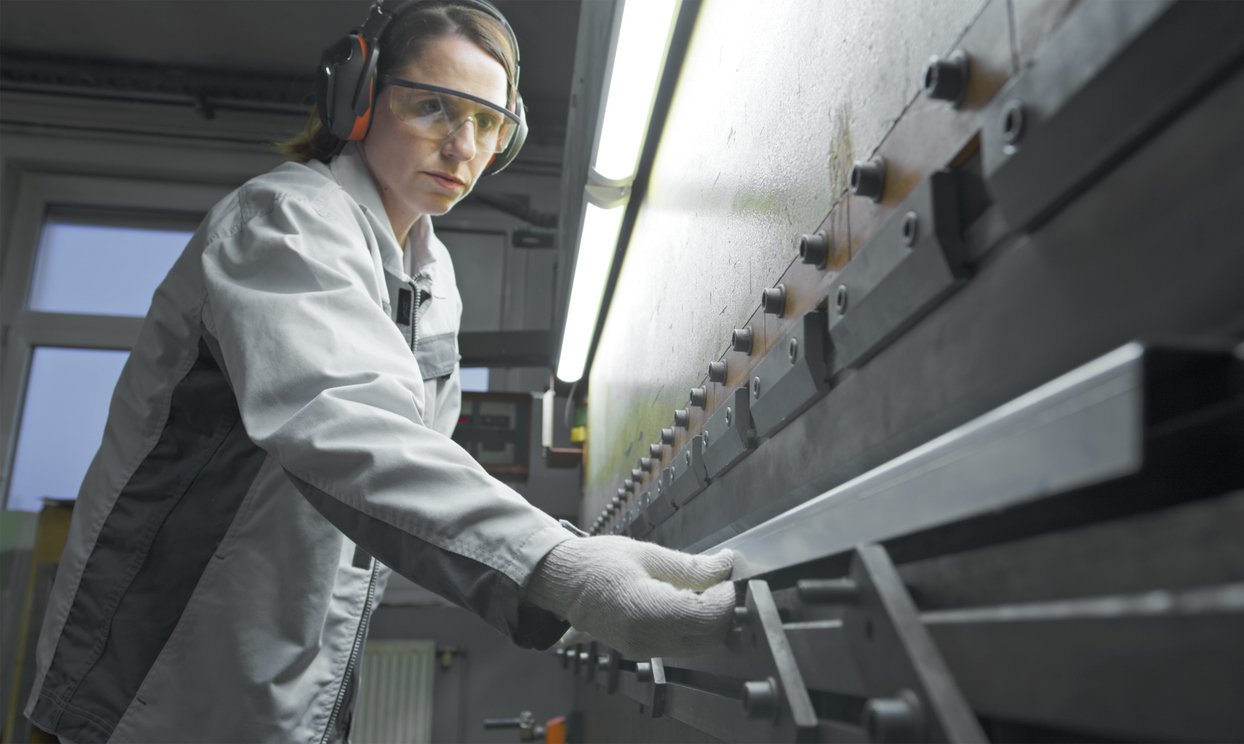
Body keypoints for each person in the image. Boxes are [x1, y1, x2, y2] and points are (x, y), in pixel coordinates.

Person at [24, 2, 735, 741]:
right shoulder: (283, 221)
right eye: (433, 106)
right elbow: (343, 422)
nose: (463, 146)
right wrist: (559, 568)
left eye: (488, 123)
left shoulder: (431, 274)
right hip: (156, 668)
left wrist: (559, 556)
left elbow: (411, 459)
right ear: (357, 97)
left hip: (294, 669)